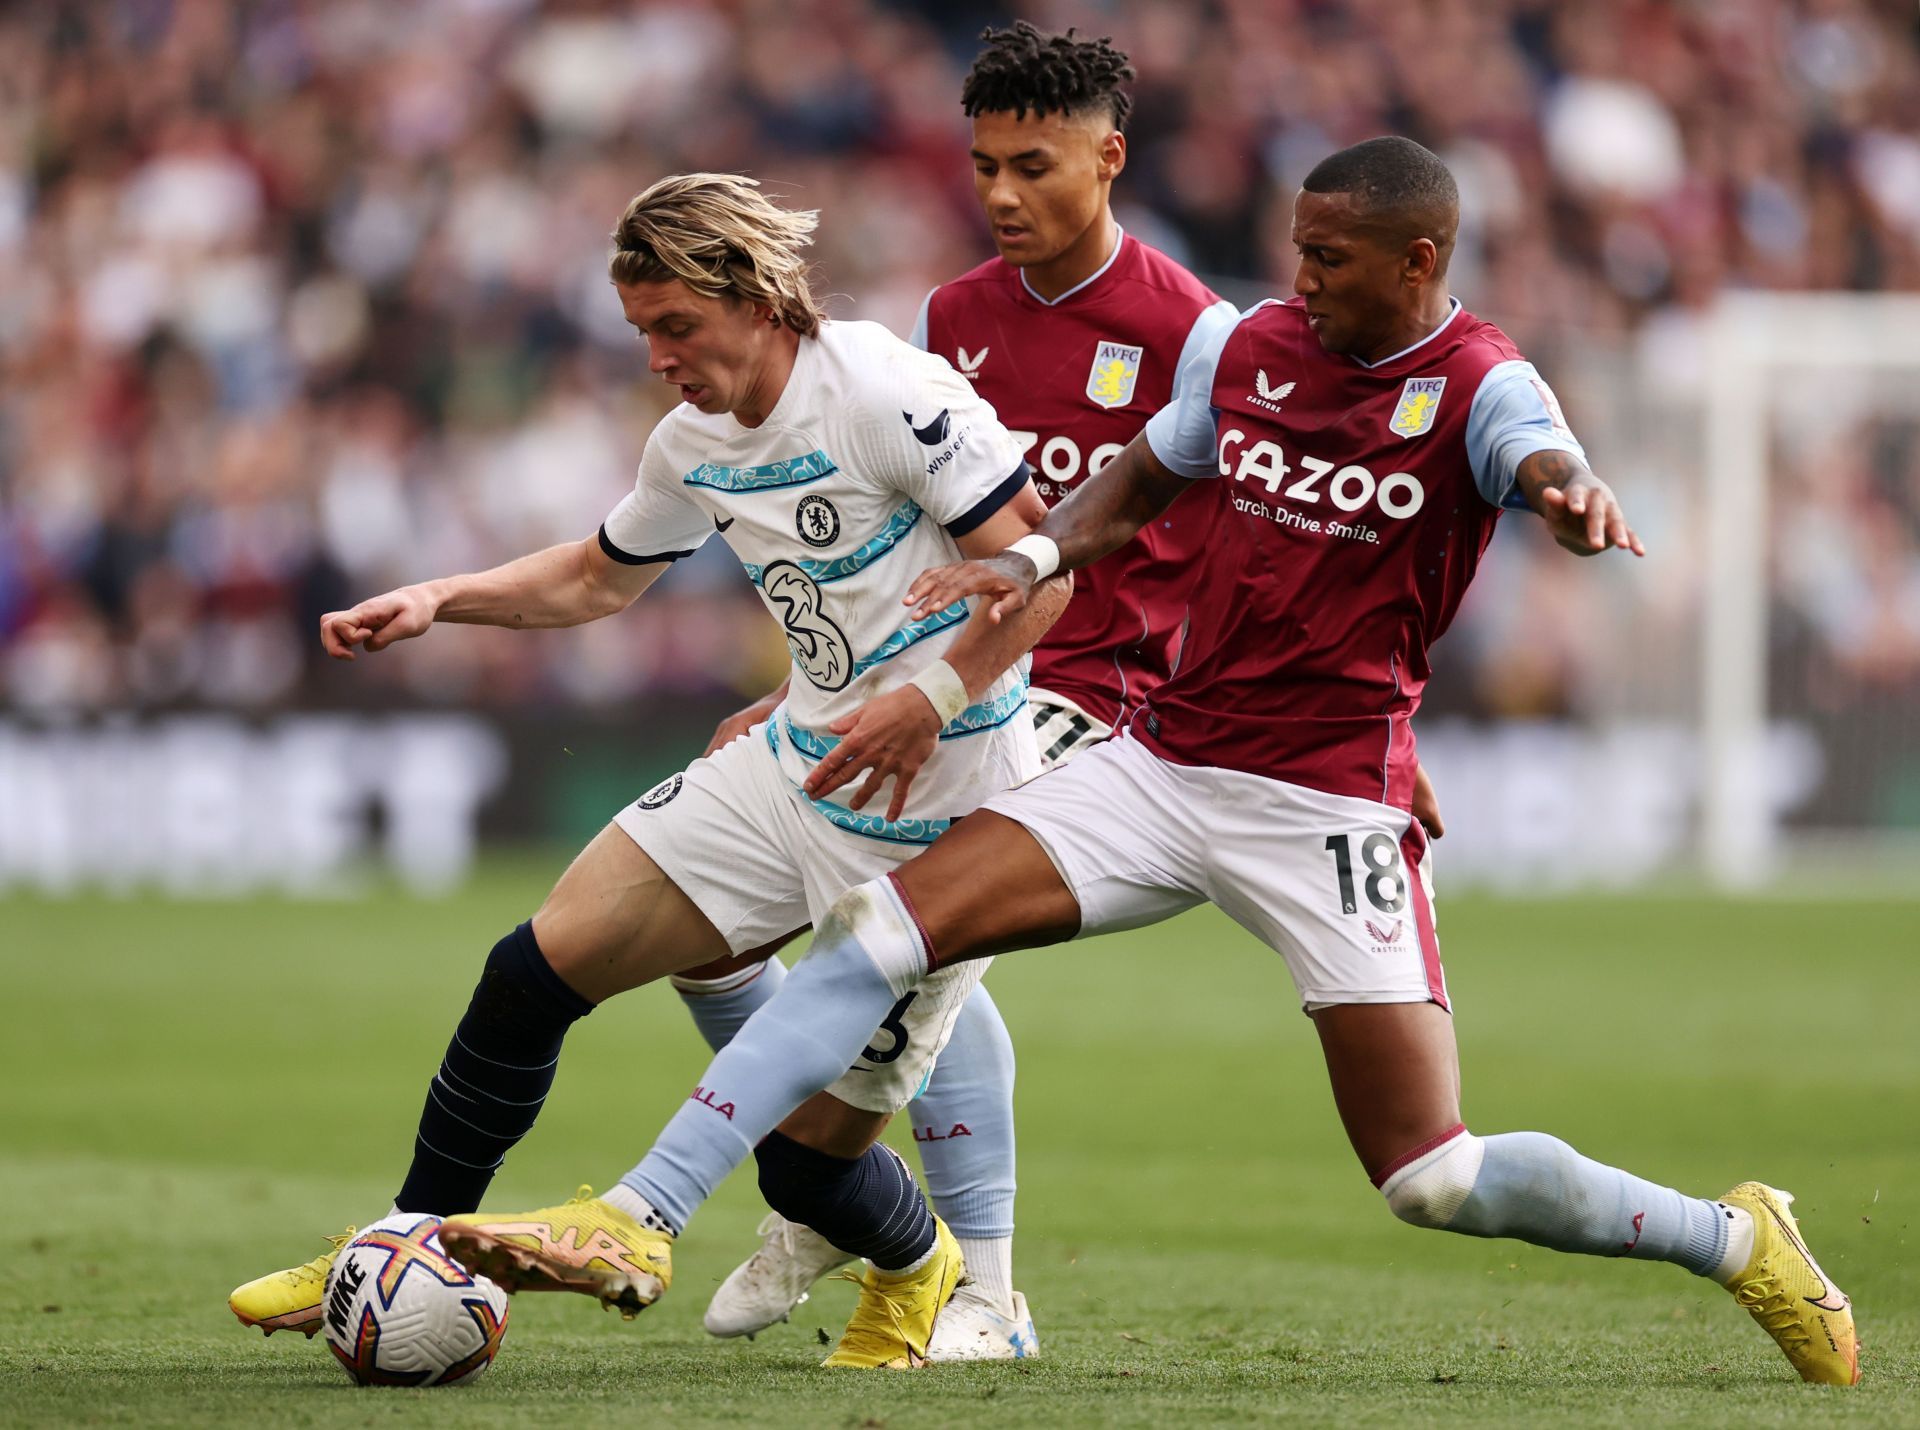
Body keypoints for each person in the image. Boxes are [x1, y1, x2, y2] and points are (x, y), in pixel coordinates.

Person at [444, 138, 1861, 1387]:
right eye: (1296, 250)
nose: (1298, 278)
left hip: (1322, 805)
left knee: (1431, 1175)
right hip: (1163, 761)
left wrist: (1570, 492)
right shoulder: (1253, 349)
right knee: (883, 931)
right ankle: (645, 1208)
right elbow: (1151, 471)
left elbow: (1536, 450)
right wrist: (1044, 555)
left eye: (1329, 258)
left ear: (1420, 258)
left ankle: (1734, 1236)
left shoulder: (1480, 380)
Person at [227, 171, 1075, 1369]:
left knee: (800, 1161)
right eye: (641, 332)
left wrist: (931, 700)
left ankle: (928, 1267)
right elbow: (595, 576)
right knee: (529, 971)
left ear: (762, 297)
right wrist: (438, 598)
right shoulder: (690, 443)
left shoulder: (888, 392)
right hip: (795, 766)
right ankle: (402, 1237)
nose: (658, 357)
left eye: (676, 326)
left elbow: (1046, 573)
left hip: (941, 815)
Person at [673, 23, 1378, 1360]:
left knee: (907, 929)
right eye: (984, 164)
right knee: (863, 938)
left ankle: (899, 1236)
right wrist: (800, 699)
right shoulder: (952, 321)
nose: (1000, 194)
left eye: (1033, 165)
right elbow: (906, 552)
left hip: (1095, 698)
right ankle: (900, 1239)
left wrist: (1363, 710)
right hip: (938, 674)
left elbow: (1277, 533)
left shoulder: (1203, 334)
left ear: (1108, 159)